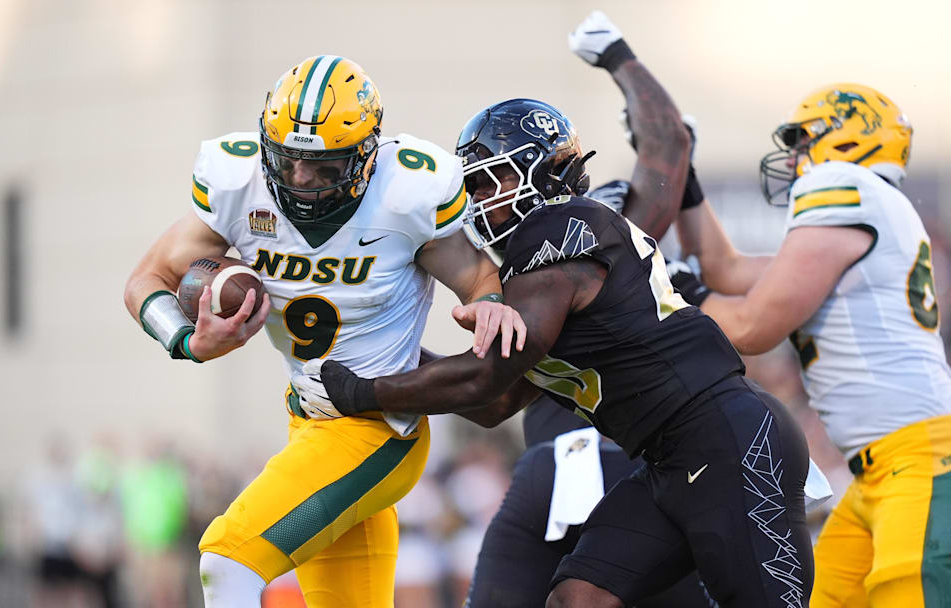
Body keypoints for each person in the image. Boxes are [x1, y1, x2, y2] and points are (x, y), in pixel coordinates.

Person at [296, 89, 816, 606]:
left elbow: (486, 375)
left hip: (728, 442)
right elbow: (493, 405)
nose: (476, 200)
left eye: (486, 181)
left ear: (541, 171)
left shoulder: (561, 231)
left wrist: (364, 390)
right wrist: (379, 356)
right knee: (578, 598)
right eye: (470, 186)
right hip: (668, 457)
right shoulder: (535, 270)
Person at [123, 55, 524, 607]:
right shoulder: (240, 183)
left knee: (227, 557)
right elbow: (147, 280)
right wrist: (186, 340)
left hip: (379, 430)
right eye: (288, 163)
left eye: (325, 167)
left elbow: (477, 275)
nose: (302, 180)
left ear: (365, 156)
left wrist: (491, 302)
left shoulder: (406, 192)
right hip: (307, 421)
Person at [669, 83, 951, 607]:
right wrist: (684, 181)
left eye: (805, 141)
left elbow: (754, 326)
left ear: (849, 143)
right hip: (879, 470)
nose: (796, 157)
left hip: (927, 455)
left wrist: (673, 294)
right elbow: (724, 269)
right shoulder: (864, 215)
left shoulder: (846, 186)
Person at [462, 12, 717, 607]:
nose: (484, 200)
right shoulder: (612, 238)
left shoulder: (528, 252)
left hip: (552, 464)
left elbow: (490, 398)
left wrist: (378, 379)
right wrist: (617, 54)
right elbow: (668, 143)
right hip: (637, 468)